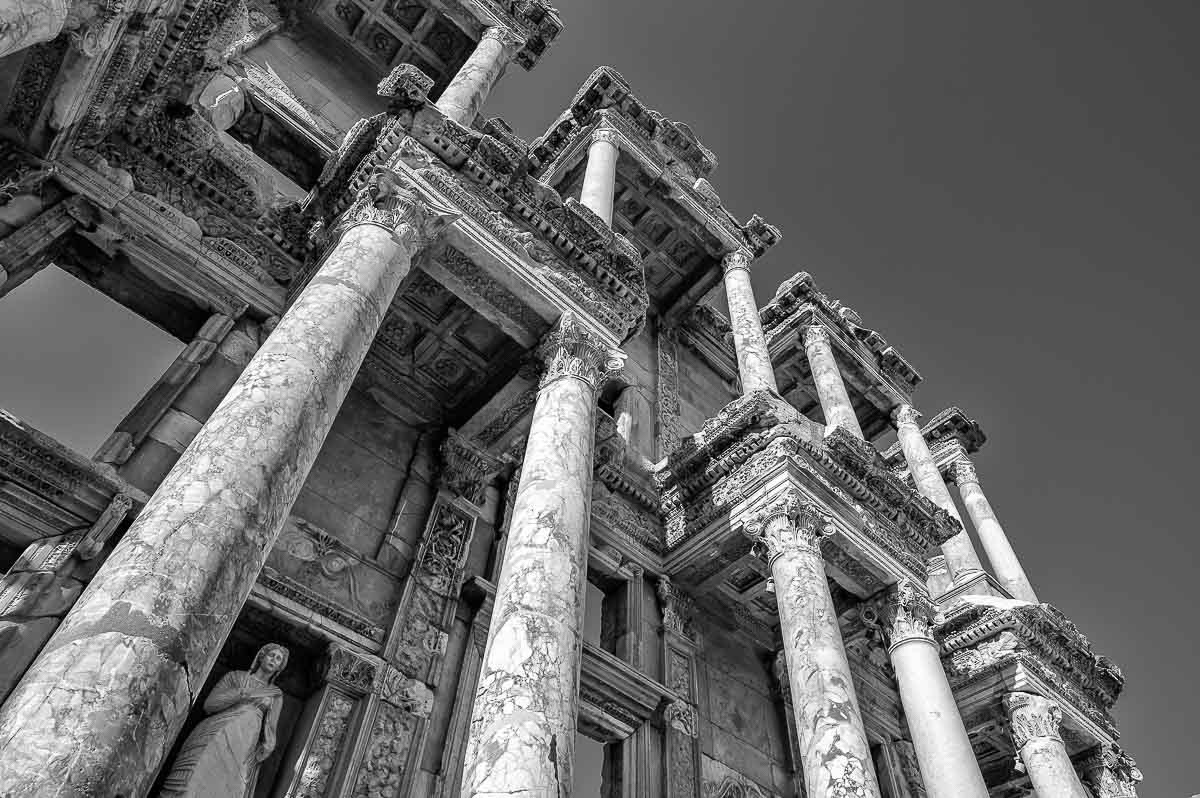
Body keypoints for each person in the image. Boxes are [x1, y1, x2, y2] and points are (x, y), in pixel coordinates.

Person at [159, 643, 289, 798]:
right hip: (215, 734)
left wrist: (267, 747)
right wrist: (241, 694)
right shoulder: (235, 677)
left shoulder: (275, 694)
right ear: (261, 656)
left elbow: (271, 729)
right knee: (193, 779)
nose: (274, 659)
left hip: (244, 747)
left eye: (279, 659)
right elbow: (210, 705)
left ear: (279, 668)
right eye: (271, 655)